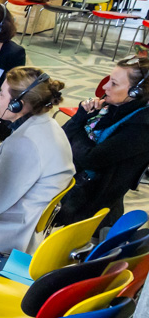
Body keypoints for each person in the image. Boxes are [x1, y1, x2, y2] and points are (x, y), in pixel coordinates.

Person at [0, 67, 73, 268]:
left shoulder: (26, 143)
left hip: (1, 233)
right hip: (18, 222)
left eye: (2, 93)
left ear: (18, 104)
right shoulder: (47, 126)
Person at [58, 57, 149, 226]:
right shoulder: (110, 107)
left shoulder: (141, 127)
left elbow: (90, 158)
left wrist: (79, 129)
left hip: (90, 208)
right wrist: (80, 117)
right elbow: (61, 136)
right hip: (73, 188)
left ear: (136, 92)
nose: (105, 87)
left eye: (114, 83)